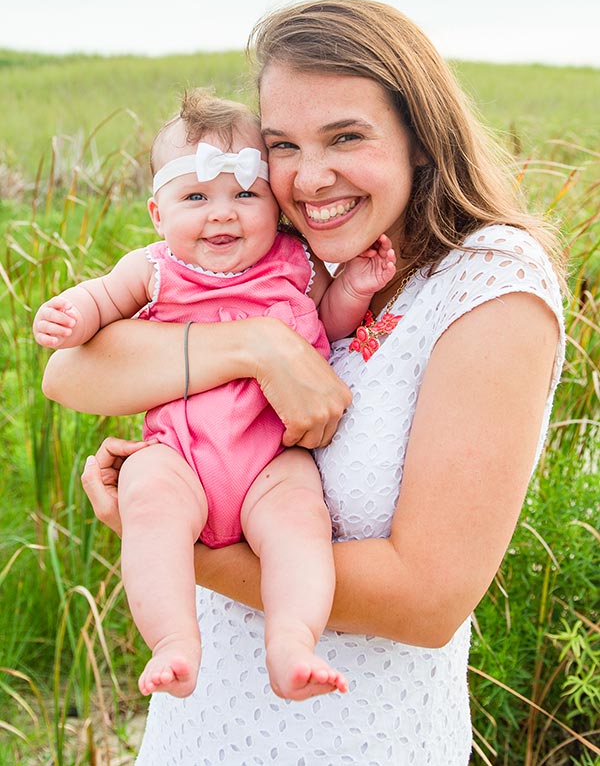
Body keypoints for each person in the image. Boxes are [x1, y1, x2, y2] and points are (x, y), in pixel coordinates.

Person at [42, 0, 566, 765]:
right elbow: (70, 373)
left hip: (353, 738)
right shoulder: (309, 251)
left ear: (421, 138)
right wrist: (254, 347)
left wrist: (168, 540)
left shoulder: (490, 287)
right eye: (283, 144)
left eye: (346, 136)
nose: (310, 177)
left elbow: (426, 599)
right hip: (203, 724)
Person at [33, 89, 397, 701]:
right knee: (148, 499)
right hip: (182, 455)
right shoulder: (153, 269)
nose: (222, 214)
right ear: (157, 213)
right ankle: (173, 640)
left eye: (245, 194)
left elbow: (327, 332)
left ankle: (292, 638)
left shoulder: (297, 263)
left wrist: (353, 292)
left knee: (301, 522)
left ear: (275, 206)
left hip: (270, 461)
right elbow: (100, 304)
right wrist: (71, 313)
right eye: (196, 197)